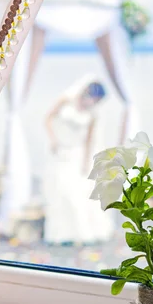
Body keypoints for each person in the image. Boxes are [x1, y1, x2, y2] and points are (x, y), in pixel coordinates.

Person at [43, 75, 113, 245]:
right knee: (60, 190)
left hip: (77, 153)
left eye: (95, 101)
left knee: (76, 191)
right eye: (91, 98)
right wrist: (52, 139)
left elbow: (89, 140)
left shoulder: (93, 114)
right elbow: (48, 118)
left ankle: (78, 232)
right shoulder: (66, 100)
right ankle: (60, 233)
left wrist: (86, 161)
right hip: (60, 150)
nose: (91, 103)